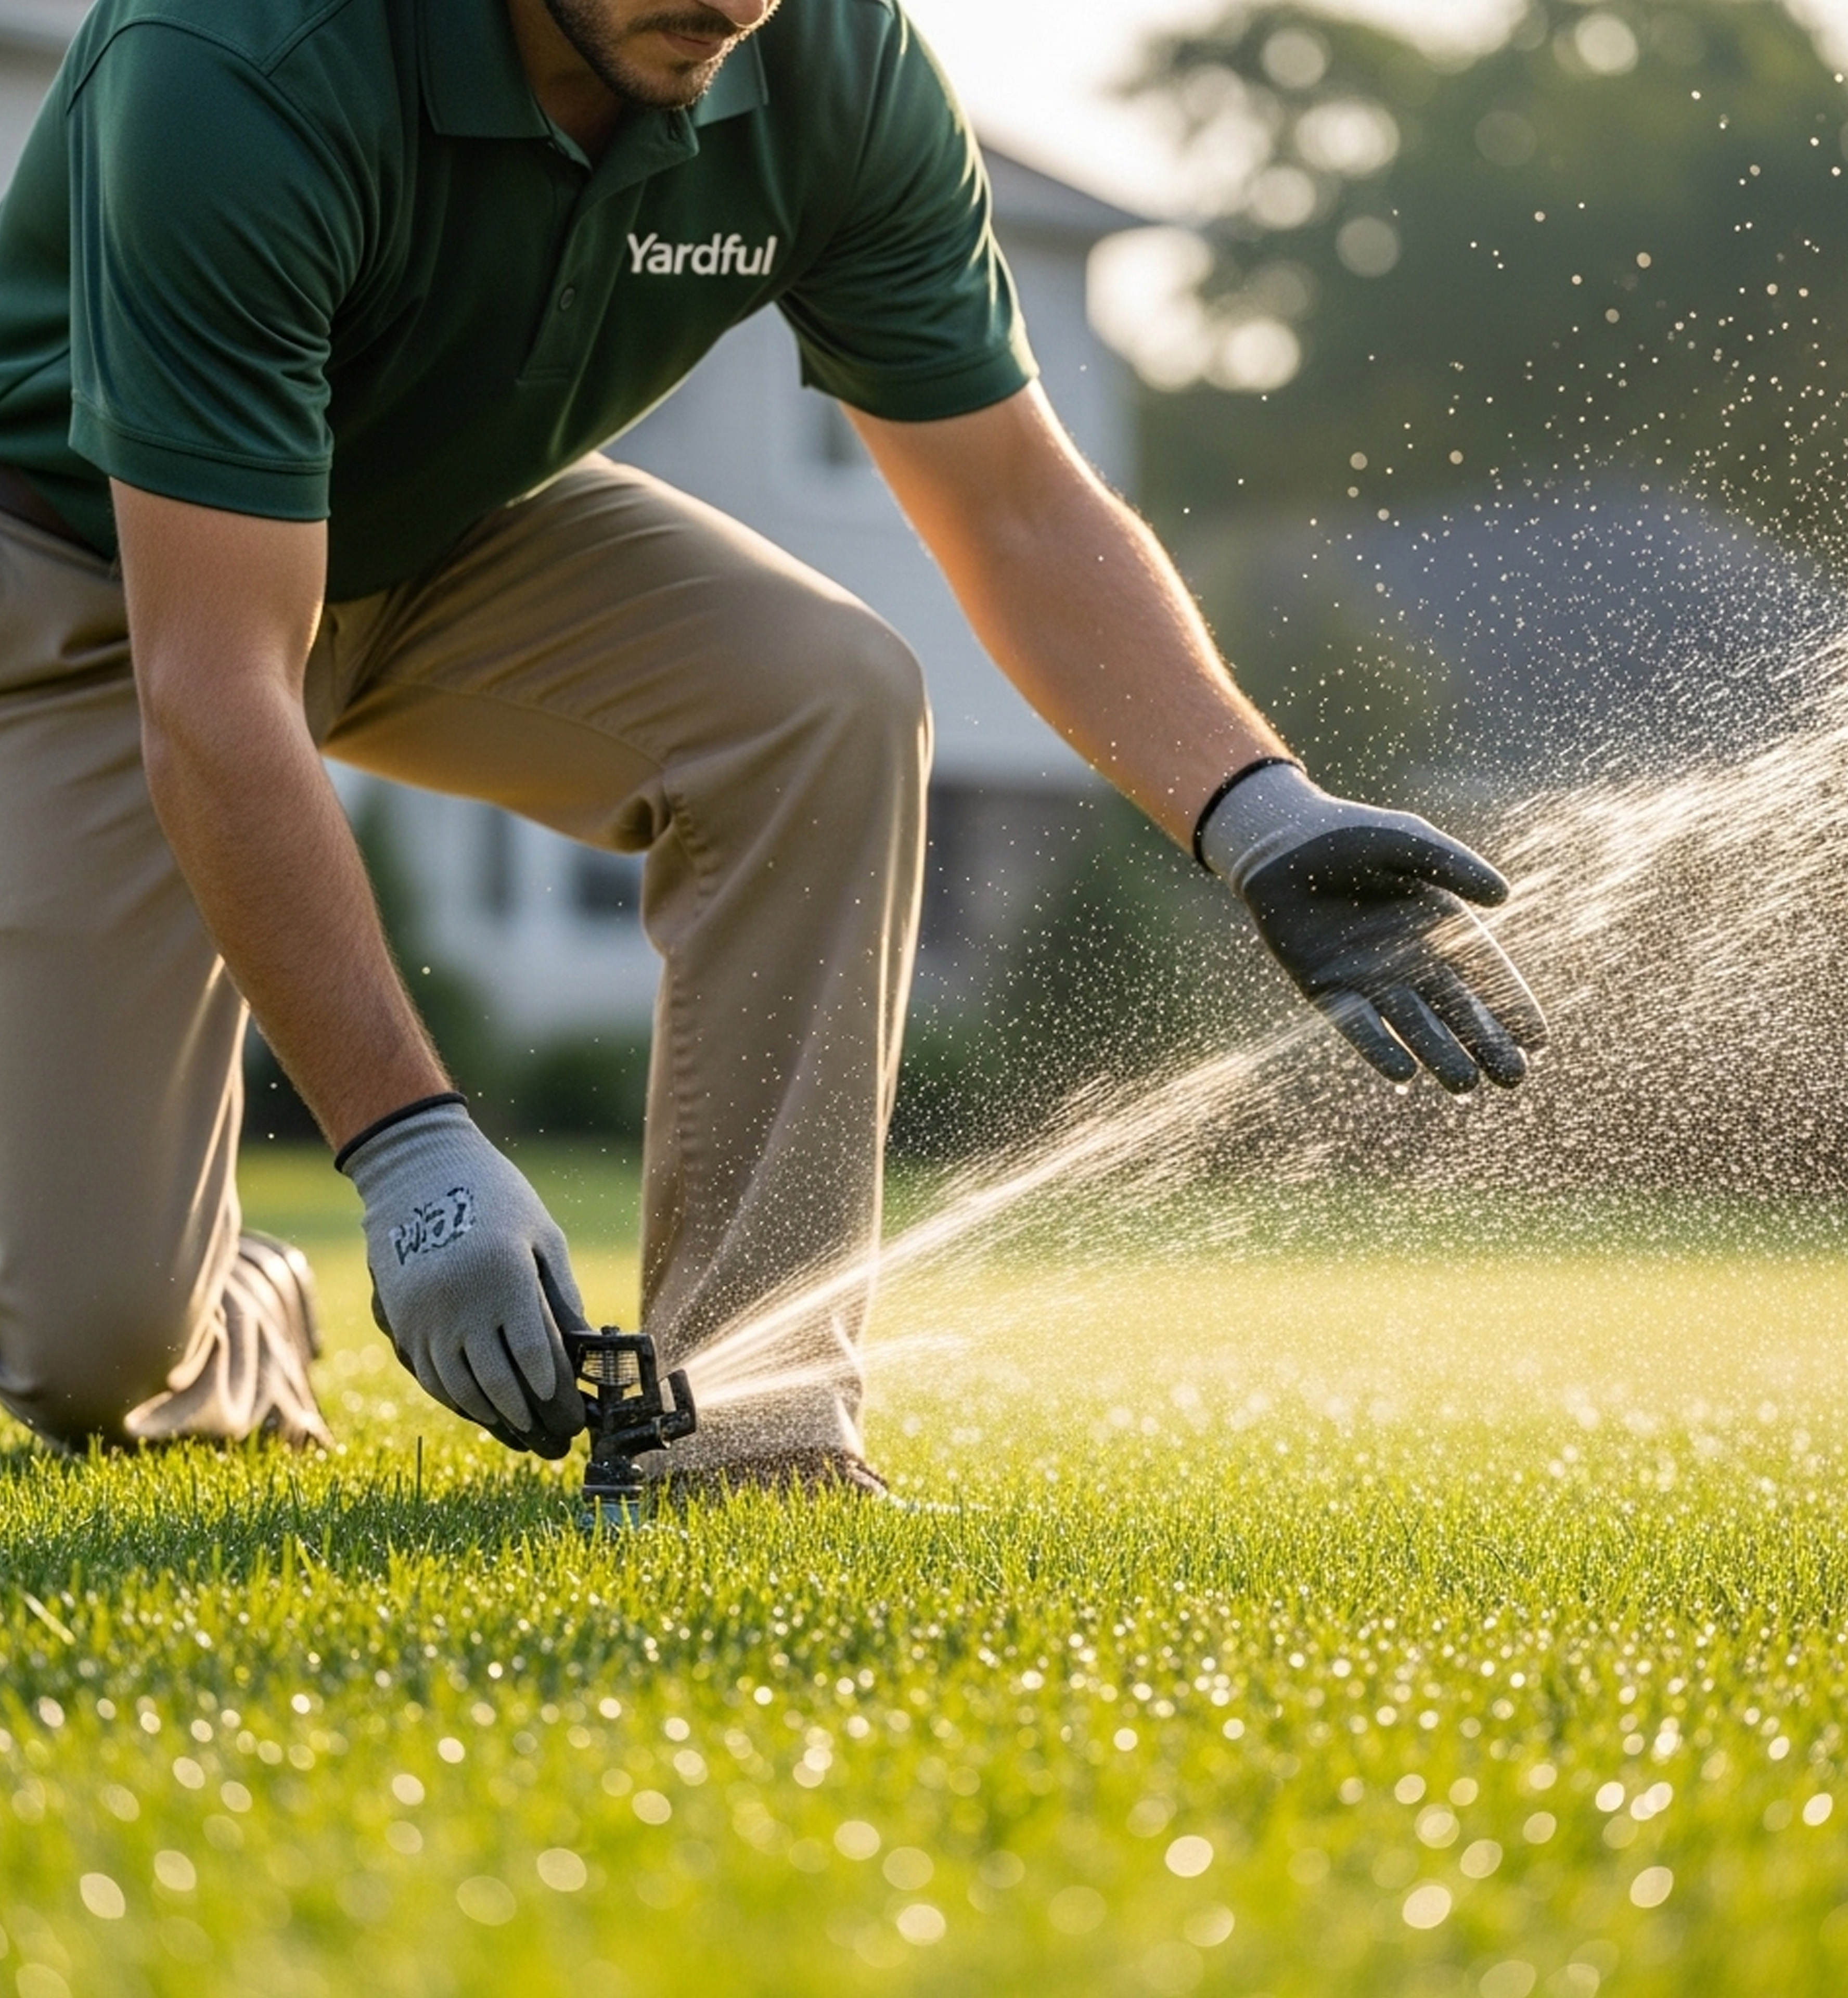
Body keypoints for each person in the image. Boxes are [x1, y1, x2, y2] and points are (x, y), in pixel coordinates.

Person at [0, 0, 1546, 1487]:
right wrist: (408, 1152)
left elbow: (1010, 503)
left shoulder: (827, 62)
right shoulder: (242, 54)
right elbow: (214, 687)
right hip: (100, 572)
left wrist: (1256, 815)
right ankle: (237, 1304)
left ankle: (747, 1427)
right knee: (90, 1350)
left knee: (829, 694)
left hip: (453, 527)